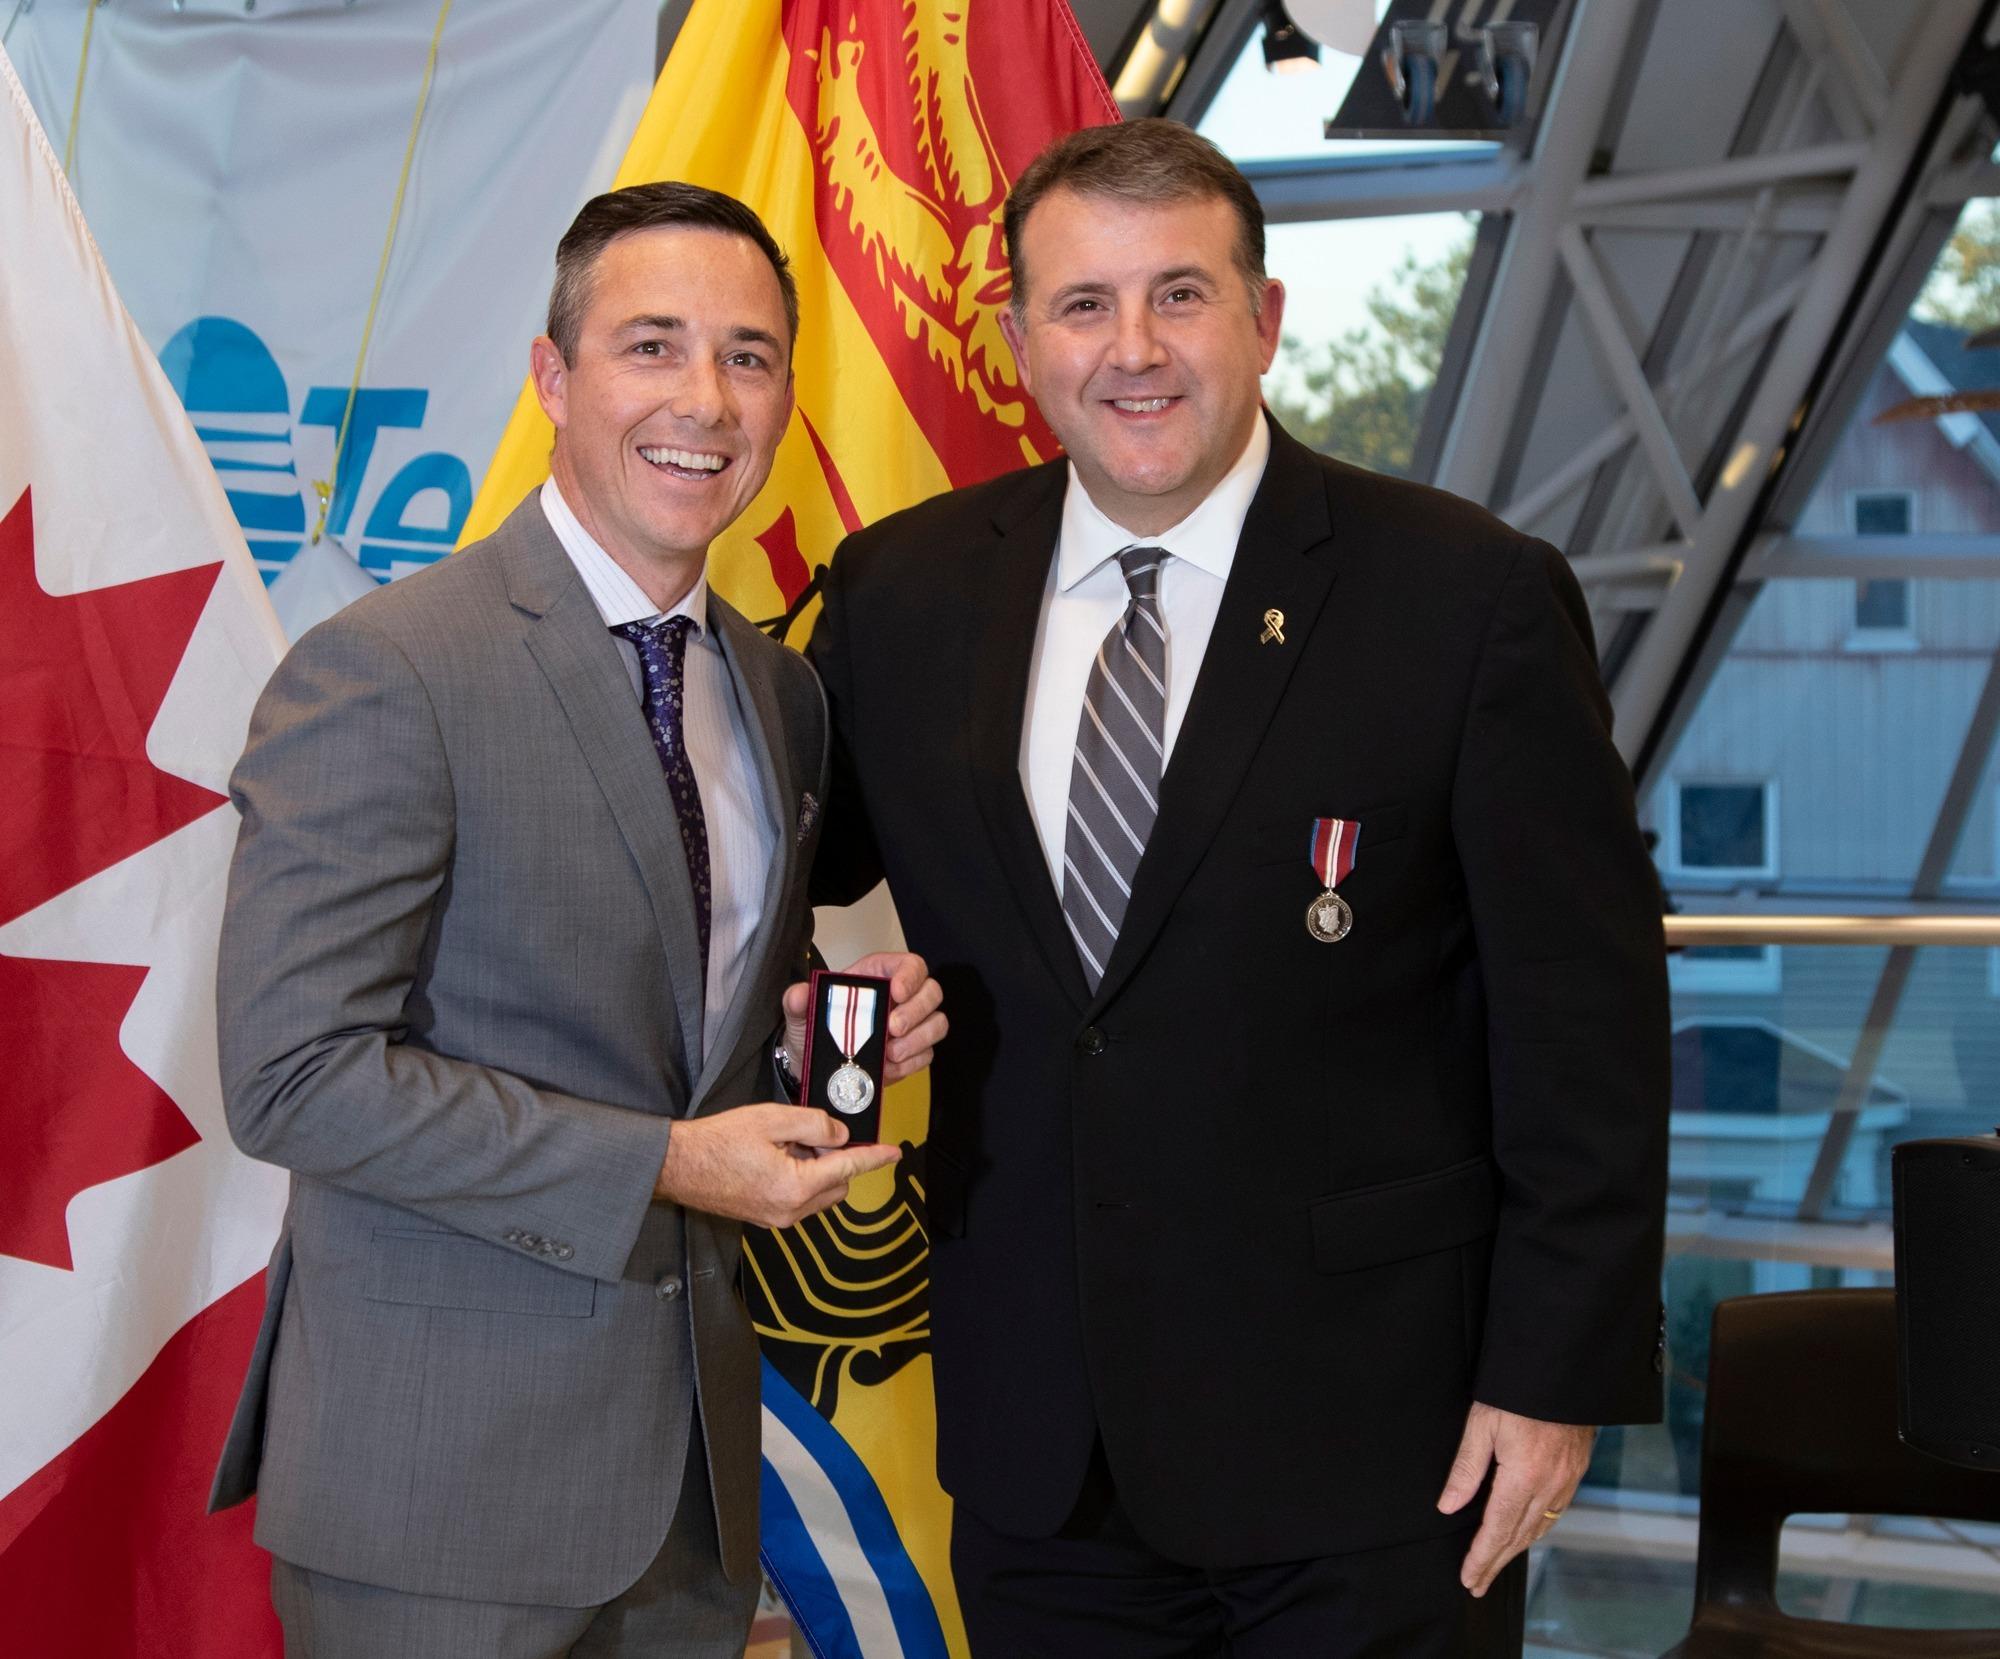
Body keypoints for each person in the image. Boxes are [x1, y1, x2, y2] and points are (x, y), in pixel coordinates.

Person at [808, 119, 1669, 1657]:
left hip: (1377, 1452)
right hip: (1038, 1453)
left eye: (1181, 296)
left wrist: (1553, 1377)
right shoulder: (899, 594)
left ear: (1264, 320)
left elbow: (1585, 1025)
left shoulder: (1465, 598)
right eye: (1084, 305)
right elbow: (770, 882)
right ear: (1017, 341)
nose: (1133, 350)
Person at [207, 181, 945, 1658]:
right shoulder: (389, 670)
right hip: (436, 1502)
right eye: (652, 345)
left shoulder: (779, 693)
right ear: (552, 377)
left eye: (748, 357)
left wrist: (800, 1045)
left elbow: (678, 1027)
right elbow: (293, 1076)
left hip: (689, 1505)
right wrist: (670, 1164)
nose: (705, 399)